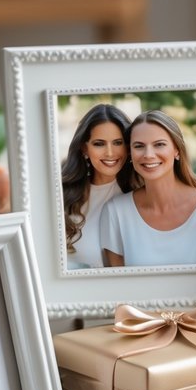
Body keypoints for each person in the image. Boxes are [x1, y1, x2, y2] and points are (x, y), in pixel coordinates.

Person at [101, 110, 196, 266]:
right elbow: (117, 286)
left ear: (177, 150)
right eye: (139, 146)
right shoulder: (116, 212)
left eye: (159, 144)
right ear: (130, 153)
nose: (148, 155)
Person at [61, 104, 132, 269]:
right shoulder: (60, 194)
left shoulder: (139, 194)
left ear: (128, 147)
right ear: (84, 148)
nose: (109, 152)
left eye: (118, 143)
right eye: (99, 143)